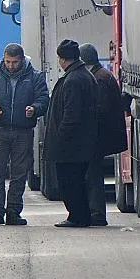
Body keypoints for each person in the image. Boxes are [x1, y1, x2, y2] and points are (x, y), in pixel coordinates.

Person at [0, 43, 49, 225]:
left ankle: (13, 212)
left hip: (23, 131)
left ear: (22, 59)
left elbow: (43, 99)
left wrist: (34, 109)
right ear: (4, 59)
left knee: (19, 174)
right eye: (8, 62)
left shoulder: (34, 77)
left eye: (15, 62)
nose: (11, 66)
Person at [43, 39, 98, 228]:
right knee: (76, 180)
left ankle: (77, 216)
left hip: (72, 145)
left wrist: (60, 138)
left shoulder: (74, 79)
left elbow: (71, 114)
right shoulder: (83, 75)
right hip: (80, 143)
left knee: (70, 181)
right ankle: (80, 215)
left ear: (62, 59)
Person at [80, 43, 129, 226]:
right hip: (101, 136)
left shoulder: (98, 79)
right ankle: (95, 212)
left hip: (97, 137)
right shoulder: (102, 75)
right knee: (93, 174)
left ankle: (97, 214)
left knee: (92, 176)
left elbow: (99, 110)